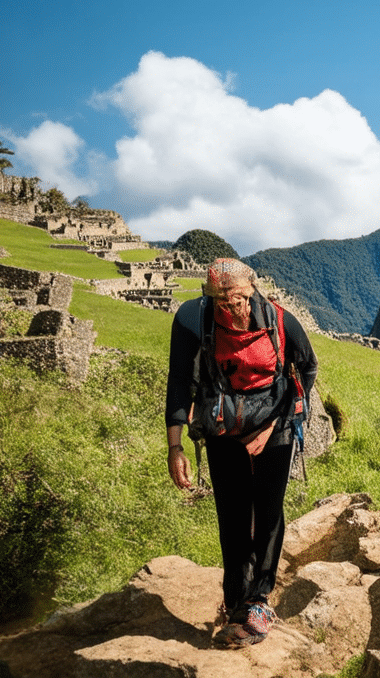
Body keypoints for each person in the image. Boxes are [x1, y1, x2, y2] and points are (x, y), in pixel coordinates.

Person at [165, 259, 318, 648]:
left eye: (238, 301)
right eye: (221, 304)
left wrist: (272, 427)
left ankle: (260, 599)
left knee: (268, 511)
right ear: (209, 299)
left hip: (275, 423)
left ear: (253, 290)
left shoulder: (282, 322)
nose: (232, 311)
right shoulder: (192, 321)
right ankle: (236, 601)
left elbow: (307, 370)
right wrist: (175, 445)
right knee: (232, 513)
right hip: (222, 426)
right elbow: (179, 379)